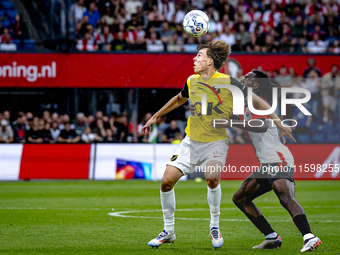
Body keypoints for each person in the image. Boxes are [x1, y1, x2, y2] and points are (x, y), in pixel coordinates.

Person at [141, 40, 294, 249]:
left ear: (210, 61)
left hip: (216, 143)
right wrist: (155, 117)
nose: (194, 59)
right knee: (166, 182)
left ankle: (214, 227)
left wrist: (280, 124)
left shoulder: (229, 83)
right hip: (190, 143)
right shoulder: (192, 80)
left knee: (211, 178)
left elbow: (258, 101)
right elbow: (178, 99)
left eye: (199, 56)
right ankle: (168, 231)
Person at [212, 70, 321, 252]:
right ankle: (271, 237)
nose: (244, 78)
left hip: (277, 158)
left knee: (285, 197)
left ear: (255, 85)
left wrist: (231, 123)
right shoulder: (250, 104)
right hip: (267, 162)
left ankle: (309, 237)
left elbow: (261, 126)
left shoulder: (259, 103)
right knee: (241, 198)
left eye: (248, 77)